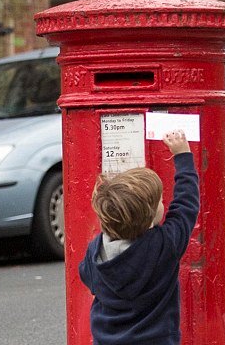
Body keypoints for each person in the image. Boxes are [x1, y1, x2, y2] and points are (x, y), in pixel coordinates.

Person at [79, 129, 200, 345]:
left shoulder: (95, 252)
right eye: (161, 201)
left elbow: (87, 278)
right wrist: (183, 155)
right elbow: (186, 204)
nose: (164, 203)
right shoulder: (165, 245)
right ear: (149, 218)